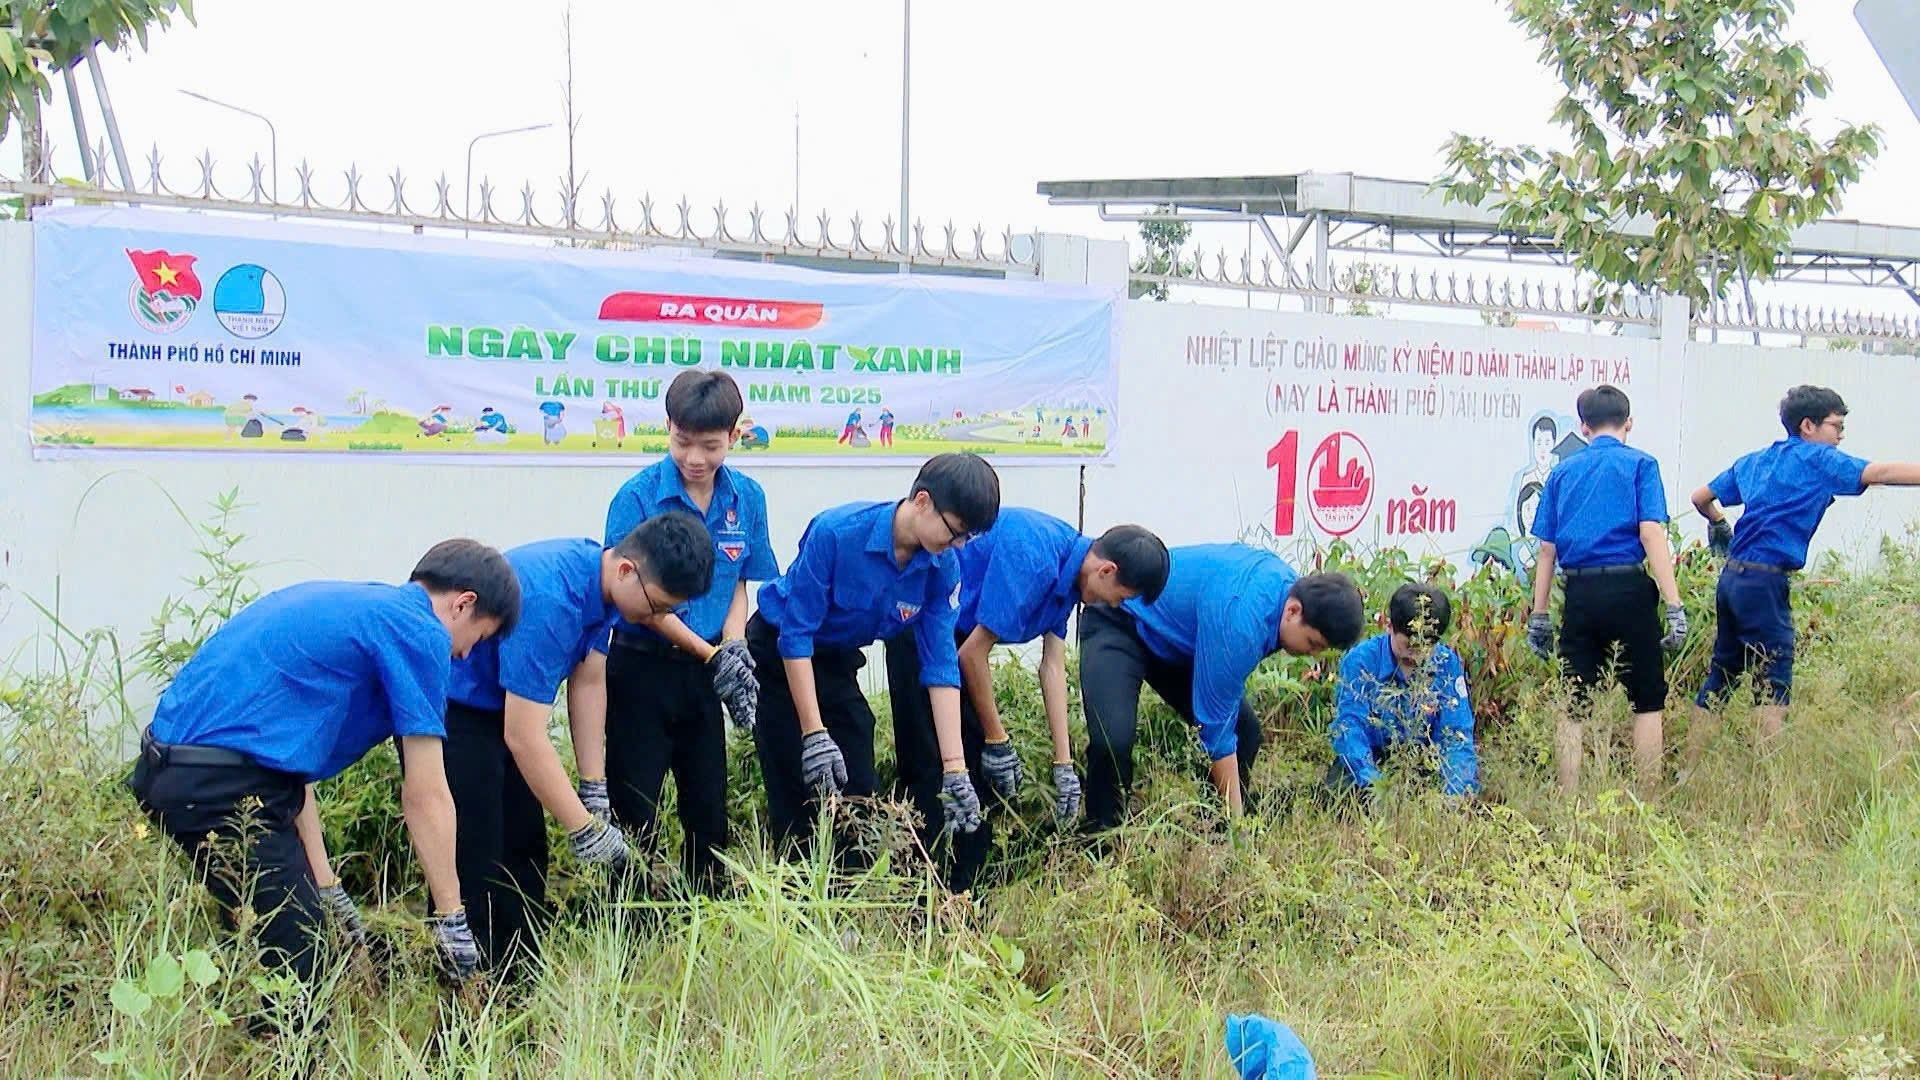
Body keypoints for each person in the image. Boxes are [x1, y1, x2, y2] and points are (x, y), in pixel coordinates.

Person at [126, 539, 522, 992]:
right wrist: (451, 920)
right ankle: (289, 1062)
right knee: (303, 964)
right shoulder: (420, 631)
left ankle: (249, 1047)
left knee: (271, 935)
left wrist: (328, 886)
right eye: (480, 637)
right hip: (217, 785)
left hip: (185, 774)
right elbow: (426, 794)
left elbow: (287, 771)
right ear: (463, 604)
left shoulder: (366, 608)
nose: (468, 655)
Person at [442, 514, 713, 973]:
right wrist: (584, 829)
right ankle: (468, 995)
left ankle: (519, 981)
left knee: (525, 848)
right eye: (655, 606)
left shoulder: (604, 582)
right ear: (628, 569)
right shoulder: (552, 600)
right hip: (459, 710)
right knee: (480, 852)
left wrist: (594, 787)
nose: (654, 619)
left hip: (502, 711)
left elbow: (588, 681)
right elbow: (524, 736)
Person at [885, 510, 1169, 891]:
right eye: (1122, 597)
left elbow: (1052, 666)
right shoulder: (1035, 558)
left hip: (960, 643)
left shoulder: (1074, 572)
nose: (1115, 606)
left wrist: (1064, 763)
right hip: (925, 632)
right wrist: (998, 741)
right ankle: (923, 885)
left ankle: (968, 887)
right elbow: (972, 655)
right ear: (1107, 571)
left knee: (977, 775)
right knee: (936, 767)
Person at [751, 452, 1001, 858]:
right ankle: (793, 898)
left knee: (858, 787)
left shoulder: (942, 569)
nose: (956, 545)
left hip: (837, 658)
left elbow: (940, 666)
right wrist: (814, 733)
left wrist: (955, 768)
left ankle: (848, 904)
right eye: (954, 531)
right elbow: (796, 636)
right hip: (781, 654)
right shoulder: (836, 533)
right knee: (797, 784)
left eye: (965, 538)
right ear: (922, 501)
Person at [602, 370, 775, 894]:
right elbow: (635, 599)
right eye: (682, 441)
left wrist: (736, 645)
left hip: (707, 675)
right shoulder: (636, 498)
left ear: (735, 435)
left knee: (707, 804)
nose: (695, 458)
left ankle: (708, 908)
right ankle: (628, 921)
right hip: (642, 665)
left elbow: (740, 579)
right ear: (668, 428)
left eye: (710, 445)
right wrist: (712, 654)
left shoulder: (747, 498)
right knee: (635, 804)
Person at [1686, 385, 1920, 760]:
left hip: (1732, 579)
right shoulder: (1819, 460)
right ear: (1808, 425)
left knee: (1722, 676)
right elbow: (1881, 472)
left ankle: (1689, 771)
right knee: (1773, 683)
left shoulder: (1755, 460)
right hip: (1765, 583)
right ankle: (1772, 787)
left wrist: (1718, 524)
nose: (1841, 436)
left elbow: (1700, 497)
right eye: (1836, 426)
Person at [1076, 544, 1365, 828]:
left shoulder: (1284, 600)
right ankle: (1103, 839)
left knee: (1245, 734)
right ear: (1293, 610)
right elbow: (1215, 729)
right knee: (1112, 741)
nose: (1312, 655)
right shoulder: (1242, 620)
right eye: (1313, 643)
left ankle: (1213, 829)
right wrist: (1239, 830)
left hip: (1180, 643)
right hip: (1121, 617)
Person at [1525, 385, 1684, 792]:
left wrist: (1539, 616)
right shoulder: (1641, 465)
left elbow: (1547, 550)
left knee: (1573, 705)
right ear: (1628, 422)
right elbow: (1650, 532)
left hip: (1580, 594)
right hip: (1630, 590)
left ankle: (1569, 799)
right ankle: (1648, 799)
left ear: (1583, 426)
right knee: (1647, 700)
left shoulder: (1561, 473)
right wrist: (1673, 605)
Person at [1329, 583, 1479, 798]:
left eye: (1425, 648)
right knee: (1341, 793)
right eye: (1410, 646)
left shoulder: (1446, 663)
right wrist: (1376, 786)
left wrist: (1453, 795)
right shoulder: (1361, 661)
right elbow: (1349, 727)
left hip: (1424, 758)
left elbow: (1456, 734)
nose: (1417, 656)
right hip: (1371, 756)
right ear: (1389, 626)